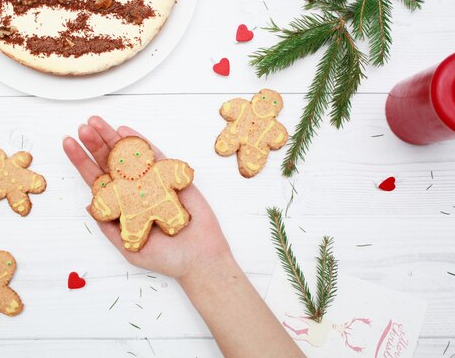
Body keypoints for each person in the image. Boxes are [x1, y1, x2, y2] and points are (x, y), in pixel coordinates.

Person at [63, 116, 304, 358]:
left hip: (165, 205)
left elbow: (175, 173)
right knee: (134, 228)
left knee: (172, 214)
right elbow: (109, 201)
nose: (132, 164)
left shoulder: (157, 172)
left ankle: (170, 221)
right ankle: (137, 234)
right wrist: (104, 207)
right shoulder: (117, 187)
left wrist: (203, 262)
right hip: (134, 215)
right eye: (124, 160)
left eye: (136, 157)